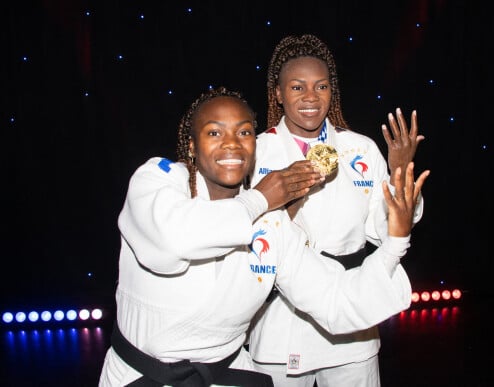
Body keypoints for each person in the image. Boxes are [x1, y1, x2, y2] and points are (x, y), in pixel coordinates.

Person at [98, 86, 428, 386]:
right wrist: (260, 198)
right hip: (139, 376)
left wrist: (395, 242)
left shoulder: (274, 227)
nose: (232, 142)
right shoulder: (157, 180)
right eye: (214, 132)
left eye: (244, 132)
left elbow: (335, 301)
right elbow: (174, 241)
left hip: (225, 376)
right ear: (192, 144)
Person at [248, 34, 426, 387]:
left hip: (351, 314)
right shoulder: (256, 151)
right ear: (278, 94)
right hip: (281, 321)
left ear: (333, 91)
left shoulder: (360, 148)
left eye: (321, 86)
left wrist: (398, 175)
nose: (311, 97)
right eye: (297, 88)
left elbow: (384, 228)